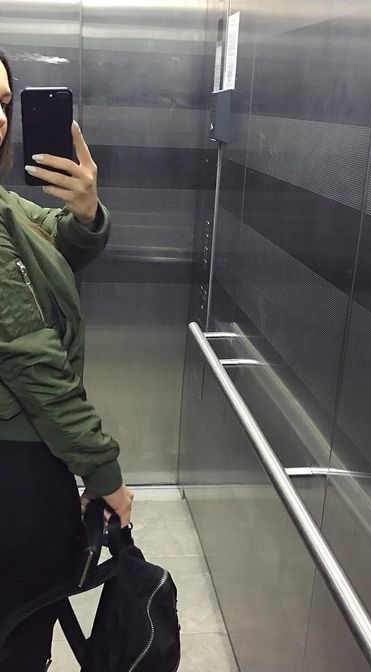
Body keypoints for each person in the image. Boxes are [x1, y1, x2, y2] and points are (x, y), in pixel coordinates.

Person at [0, 52, 134, 670]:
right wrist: (104, 473)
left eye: (4, 103)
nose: (0, 120)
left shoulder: (4, 206)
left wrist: (84, 214)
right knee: (20, 643)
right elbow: (34, 364)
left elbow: (45, 237)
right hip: (14, 468)